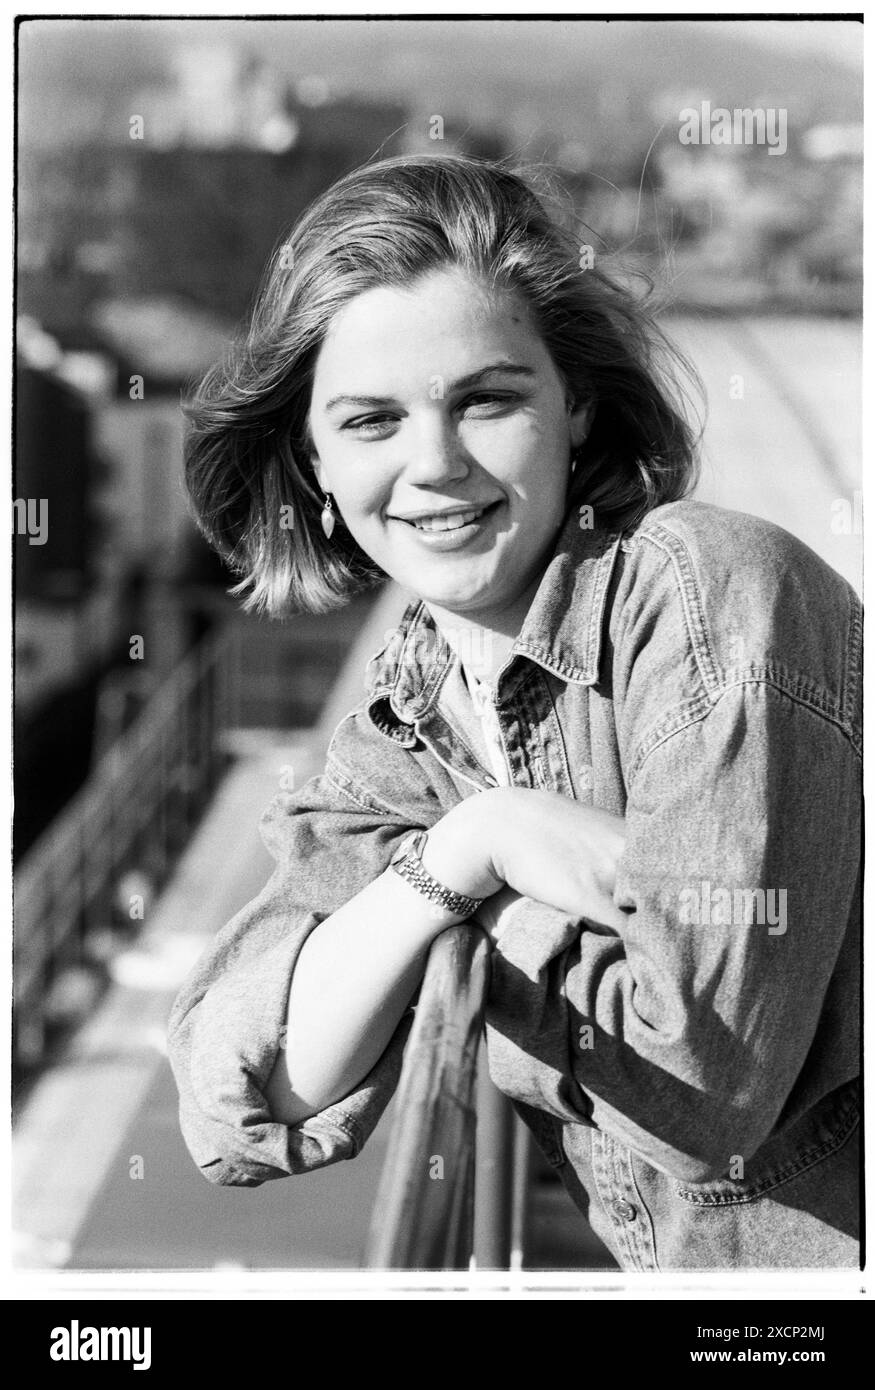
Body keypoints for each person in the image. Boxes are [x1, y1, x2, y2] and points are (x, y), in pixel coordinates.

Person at [168, 153, 861, 1272]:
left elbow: (708, 1083)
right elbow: (233, 1093)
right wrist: (471, 846)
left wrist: (453, 924)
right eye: (369, 421)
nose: (432, 464)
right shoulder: (401, 730)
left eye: (486, 400)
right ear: (312, 457)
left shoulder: (710, 596)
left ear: (575, 406)